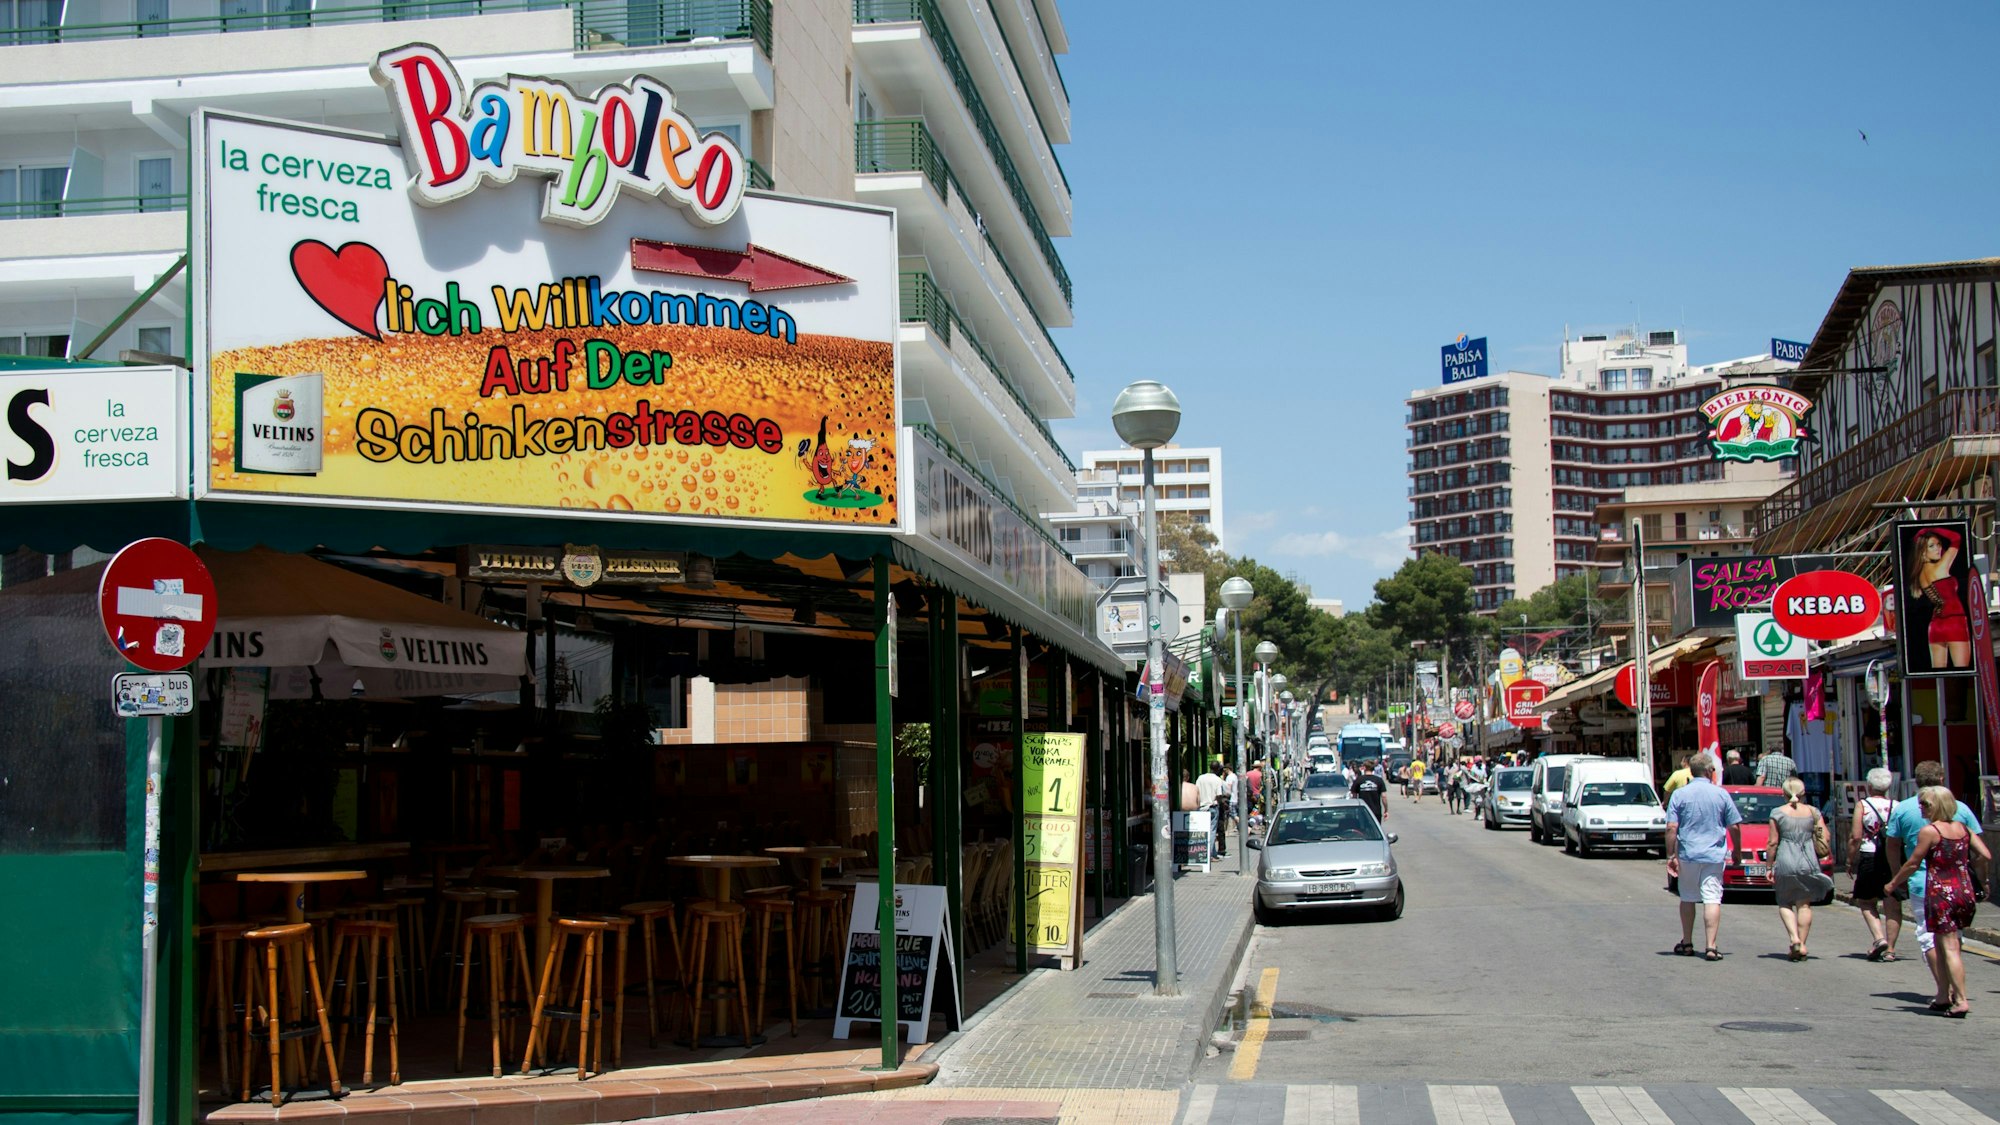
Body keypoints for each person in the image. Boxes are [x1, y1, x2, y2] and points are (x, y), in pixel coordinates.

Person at [1885, 762, 1985, 1011]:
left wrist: (1894, 881)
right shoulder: (1963, 825)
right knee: (1952, 943)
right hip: (1963, 889)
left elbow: (1910, 860)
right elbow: (1985, 855)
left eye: (1925, 805)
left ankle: (1956, 996)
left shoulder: (1929, 830)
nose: (1921, 809)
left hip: (1936, 889)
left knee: (1935, 941)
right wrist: (1981, 880)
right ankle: (1944, 994)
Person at [1664, 752, 1742, 961]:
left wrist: (1670, 855)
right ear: (1709, 771)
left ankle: (1687, 942)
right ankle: (1711, 946)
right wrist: (1737, 850)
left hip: (1688, 853)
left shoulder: (1679, 795)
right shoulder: (1721, 794)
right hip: (1713, 854)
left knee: (1688, 896)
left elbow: (1672, 827)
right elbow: (1734, 826)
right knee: (1712, 897)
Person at [1769, 777, 1836, 961]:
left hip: (1786, 860)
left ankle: (1794, 938)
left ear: (1783, 794)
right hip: (1808, 861)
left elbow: (1773, 842)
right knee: (1804, 904)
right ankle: (1803, 944)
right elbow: (1826, 836)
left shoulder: (1777, 813)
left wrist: (1769, 865)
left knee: (1784, 901)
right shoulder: (1813, 812)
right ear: (1803, 793)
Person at [1849, 767, 1901, 961]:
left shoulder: (1863, 805)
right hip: (1891, 857)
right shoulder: (1897, 805)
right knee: (1892, 903)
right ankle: (1891, 949)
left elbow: (1856, 836)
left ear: (1869, 786)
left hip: (1870, 855)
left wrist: (1850, 860)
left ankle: (1879, 939)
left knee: (1866, 900)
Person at [1908, 526, 1972, 670]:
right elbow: (1956, 538)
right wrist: (1933, 528)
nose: (1937, 549)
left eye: (1939, 544)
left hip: (1935, 625)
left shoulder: (1919, 574)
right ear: (1923, 551)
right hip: (1955, 621)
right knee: (1962, 674)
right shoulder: (1941, 567)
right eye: (1932, 546)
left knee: (1939, 675)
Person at [1196, 761, 1227, 857]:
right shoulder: (1217, 780)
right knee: (1212, 831)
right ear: (1218, 769)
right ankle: (1209, 854)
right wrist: (1221, 803)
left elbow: (1196, 791)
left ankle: (1212, 853)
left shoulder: (1200, 778)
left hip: (1201, 807)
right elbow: (1218, 795)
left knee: (1202, 831)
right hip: (1213, 807)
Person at [1350, 759, 1388, 826]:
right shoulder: (1379, 780)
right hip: (1376, 810)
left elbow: (1354, 796)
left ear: (1364, 768)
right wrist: (1386, 810)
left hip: (1363, 811)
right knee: (1376, 829)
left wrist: (1354, 809)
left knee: (1364, 830)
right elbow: (1384, 796)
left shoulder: (1359, 780)